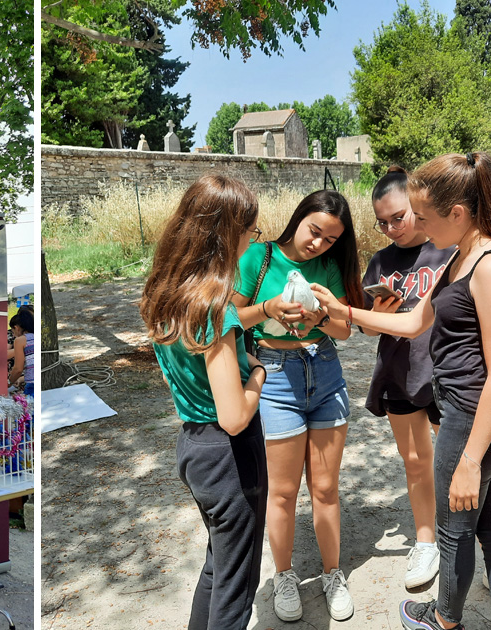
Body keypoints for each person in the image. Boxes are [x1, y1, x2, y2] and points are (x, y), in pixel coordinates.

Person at [312, 151, 491, 630]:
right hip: (463, 412)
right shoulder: (460, 256)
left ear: (457, 214)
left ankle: (442, 620)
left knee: (455, 534)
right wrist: (345, 310)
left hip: (476, 419)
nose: (419, 228)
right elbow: (415, 322)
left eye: (424, 218)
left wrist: (471, 461)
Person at [139, 173, 268, 629]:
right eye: (250, 232)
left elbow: (198, 368)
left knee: (218, 567)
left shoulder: (165, 293)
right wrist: (256, 373)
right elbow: (234, 416)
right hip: (229, 456)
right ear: (226, 233)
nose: (253, 242)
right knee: (237, 589)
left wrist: (236, 359)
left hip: (193, 447)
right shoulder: (217, 307)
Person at [230, 189, 363, 622]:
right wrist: (268, 308)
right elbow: (230, 318)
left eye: (330, 239)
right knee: (283, 492)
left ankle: (332, 574)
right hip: (275, 377)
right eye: (315, 231)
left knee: (325, 488)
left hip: (324, 372)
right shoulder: (258, 256)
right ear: (299, 217)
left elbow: (344, 331)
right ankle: (284, 576)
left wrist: (320, 318)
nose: (319, 244)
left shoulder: (328, 266)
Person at [361, 166, 453, 588]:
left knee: (461, 465)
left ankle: (486, 548)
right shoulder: (380, 261)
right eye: (382, 221)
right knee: (415, 464)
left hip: (447, 376)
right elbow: (367, 329)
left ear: (416, 207)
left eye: (398, 217)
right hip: (398, 373)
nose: (390, 228)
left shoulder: (448, 250)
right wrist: (379, 312)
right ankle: (426, 541)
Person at [8, 309, 34, 396]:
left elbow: (18, 369)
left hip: (31, 385)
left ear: (16, 328)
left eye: (13, 331)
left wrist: (9, 382)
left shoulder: (20, 340)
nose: (14, 335)